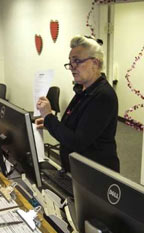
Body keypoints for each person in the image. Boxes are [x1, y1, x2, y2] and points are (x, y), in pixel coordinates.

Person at [35, 35, 119, 172]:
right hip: (77, 169)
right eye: (70, 62)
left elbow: (77, 142)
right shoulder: (83, 89)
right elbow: (72, 128)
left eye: (77, 61)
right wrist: (48, 123)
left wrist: (49, 116)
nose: (72, 67)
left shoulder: (103, 95)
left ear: (95, 63)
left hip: (96, 175)